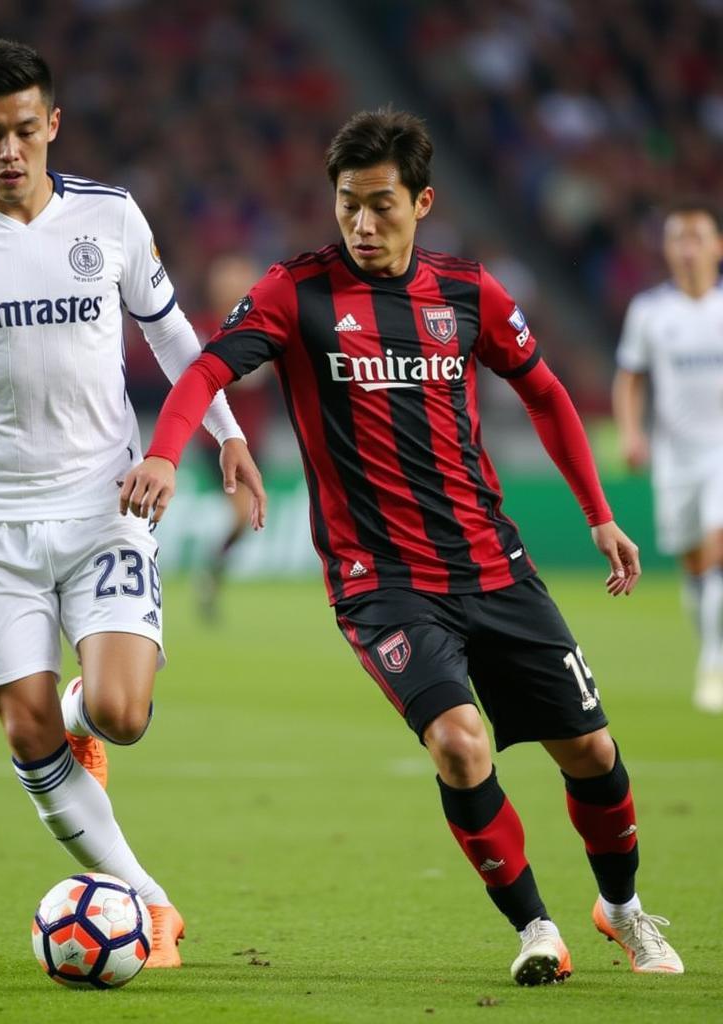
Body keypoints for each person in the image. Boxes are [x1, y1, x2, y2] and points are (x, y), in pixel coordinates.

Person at [120, 108, 684, 985]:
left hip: (495, 565)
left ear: (423, 201)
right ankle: (535, 925)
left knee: (593, 755)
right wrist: (165, 450)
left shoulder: (469, 294)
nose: (362, 224)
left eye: (382, 205)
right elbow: (203, 369)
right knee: (460, 744)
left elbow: (547, 394)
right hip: (380, 582)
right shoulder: (295, 292)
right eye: (347, 204)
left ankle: (623, 909)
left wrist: (599, 512)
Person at [0, 38, 264, 968]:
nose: (9, 151)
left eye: (25, 131)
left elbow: (174, 333)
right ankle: (149, 904)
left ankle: (83, 715)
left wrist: (225, 432)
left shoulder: (109, 220)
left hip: (103, 499)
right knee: (26, 730)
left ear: (52, 126)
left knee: (117, 712)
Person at [613, 200, 723, 714]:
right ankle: (710, 647)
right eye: (678, 237)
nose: (688, 247)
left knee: (718, 548)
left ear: (717, 247)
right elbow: (630, 377)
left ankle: (715, 663)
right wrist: (632, 434)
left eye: (697, 237)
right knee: (694, 563)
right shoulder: (650, 311)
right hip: (675, 458)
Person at [191, 253, 276, 621]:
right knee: (243, 514)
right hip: (218, 442)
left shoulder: (263, 325)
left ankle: (211, 574)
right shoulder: (204, 328)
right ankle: (209, 574)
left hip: (254, 440)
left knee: (246, 517)